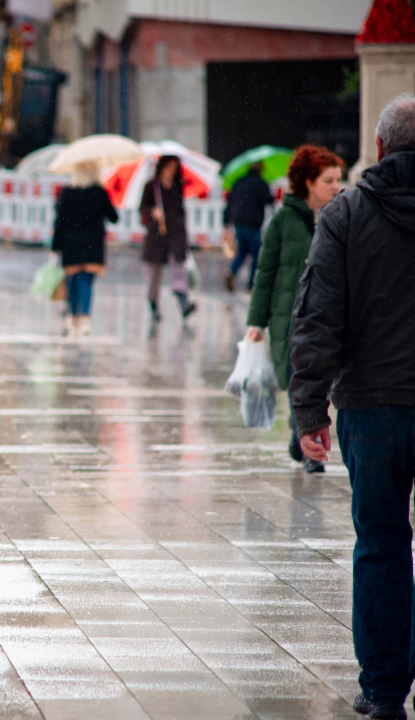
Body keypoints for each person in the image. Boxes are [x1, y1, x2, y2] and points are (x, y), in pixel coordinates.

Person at [288, 94, 415, 720]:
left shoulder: (346, 214)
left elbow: (316, 318)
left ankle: (386, 691)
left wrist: (309, 411)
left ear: (382, 148)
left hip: (373, 407)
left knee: (382, 544)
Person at [244, 145, 343, 474]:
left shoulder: (343, 217)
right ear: (309, 182)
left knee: (323, 375)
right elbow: (266, 273)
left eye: (338, 180)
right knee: (300, 374)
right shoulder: (283, 221)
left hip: (330, 316)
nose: (336, 187)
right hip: (292, 319)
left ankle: (300, 435)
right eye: (328, 180)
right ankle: (304, 438)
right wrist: (256, 322)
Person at [50, 161, 118, 337]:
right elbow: (114, 217)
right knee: (86, 282)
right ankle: (85, 318)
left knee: (72, 281)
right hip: (92, 244)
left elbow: (60, 222)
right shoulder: (100, 193)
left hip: (70, 244)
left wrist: (55, 245)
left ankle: (72, 317)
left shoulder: (67, 193)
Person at [139, 155, 196, 322]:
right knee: (154, 273)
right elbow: (142, 208)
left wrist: (184, 238)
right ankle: (153, 303)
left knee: (178, 268)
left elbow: (180, 212)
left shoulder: (178, 187)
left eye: (174, 167)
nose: (171, 171)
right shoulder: (151, 187)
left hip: (175, 235)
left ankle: (183, 301)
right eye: (169, 167)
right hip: (157, 235)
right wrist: (153, 212)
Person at [223, 161, 275, 291]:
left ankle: (232, 272)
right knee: (256, 253)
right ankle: (251, 283)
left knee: (242, 250)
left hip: (238, 221)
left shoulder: (238, 181)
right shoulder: (260, 183)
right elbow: (269, 199)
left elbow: (230, 201)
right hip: (253, 222)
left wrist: (226, 220)